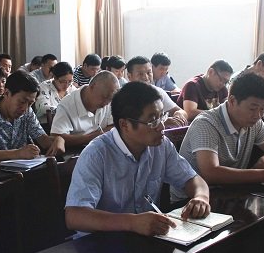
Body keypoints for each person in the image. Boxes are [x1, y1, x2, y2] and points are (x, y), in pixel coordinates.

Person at [65, 81, 211, 236]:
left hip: (144, 237)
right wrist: (132, 222)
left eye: (162, 116)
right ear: (125, 125)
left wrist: (201, 197)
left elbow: (191, 179)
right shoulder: (96, 154)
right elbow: (75, 216)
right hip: (101, 242)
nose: (162, 127)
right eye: (153, 121)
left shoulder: (161, 146)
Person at [171, 73, 264, 200]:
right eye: (252, 109)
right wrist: (263, 175)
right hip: (193, 200)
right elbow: (211, 173)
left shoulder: (254, 122)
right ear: (232, 101)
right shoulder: (206, 123)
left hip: (229, 192)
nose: (258, 115)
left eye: (262, 109)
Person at [0, 70, 65, 162]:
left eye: (30, 103)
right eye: (22, 102)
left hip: (25, 170)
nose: (25, 108)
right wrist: (17, 154)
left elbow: (43, 140)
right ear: (6, 93)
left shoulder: (28, 112)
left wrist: (58, 140)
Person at [51, 71, 119, 148]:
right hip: (75, 151)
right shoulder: (67, 105)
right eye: (104, 97)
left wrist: (99, 135)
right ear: (92, 86)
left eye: (110, 99)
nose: (106, 103)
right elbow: (56, 138)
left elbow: (115, 126)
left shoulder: (110, 100)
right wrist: (93, 137)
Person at [126, 56, 187, 128]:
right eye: (140, 74)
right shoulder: (124, 96)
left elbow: (182, 112)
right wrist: (161, 123)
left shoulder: (158, 92)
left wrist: (178, 114)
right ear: (129, 76)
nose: (146, 77)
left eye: (149, 72)